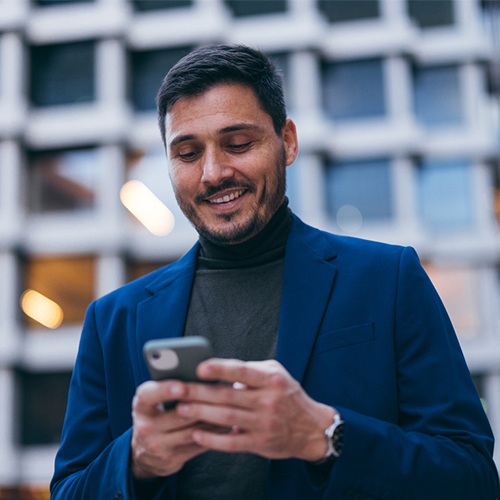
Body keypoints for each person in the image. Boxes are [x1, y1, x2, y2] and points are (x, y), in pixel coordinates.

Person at [50, 45, 498, 500]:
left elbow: (473, 478)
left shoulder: (389, 279)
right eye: (186, 153)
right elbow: (68, 490)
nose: (213, 173)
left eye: (238, 144)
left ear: (287, 141)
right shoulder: (113, 319)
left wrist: (324, 435)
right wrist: (137, 459)